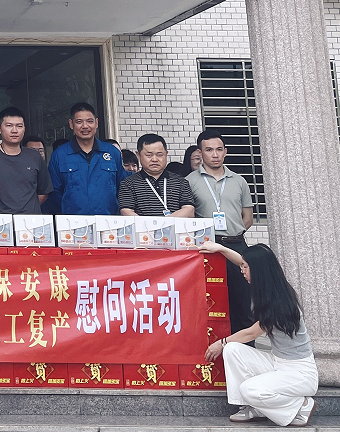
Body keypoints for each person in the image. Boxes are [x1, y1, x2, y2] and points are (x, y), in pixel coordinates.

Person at [200, 242, 318, 427]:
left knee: (249, 388)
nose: (242, 271)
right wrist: (221, 249)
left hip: (300, 373)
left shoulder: (279, 300)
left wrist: (220, 342)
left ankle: (301, 405)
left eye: (246, 268)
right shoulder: (269, 289)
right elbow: (242, 260)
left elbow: (251, 333)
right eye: (243, 266)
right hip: (278, 363)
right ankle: (253, 407)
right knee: (233, 350)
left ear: (258, 271)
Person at [186, 129, 255, 338]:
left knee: (242, 302)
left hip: (236, 246)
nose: (215, 154)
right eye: (209, 150)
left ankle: (245, 350)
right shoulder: (189, 181)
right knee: (210, 302)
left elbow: (247, 218)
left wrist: (231, 234)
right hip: (207, 248)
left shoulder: (239, 181)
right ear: (200, 153)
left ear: (225, 151)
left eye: (219, 149)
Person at [47, 103, 128, 215]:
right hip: (72, 221)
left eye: (90, 121)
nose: (85, 126)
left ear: (96, 123)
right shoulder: (60, 155)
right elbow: (54, 193)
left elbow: (122, 187)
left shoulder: (112, 152)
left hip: (108, 220)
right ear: (71, 124)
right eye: (79, 122)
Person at [0, 107, 52, 214]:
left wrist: (29, 209)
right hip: (0, 219)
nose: (14, 130)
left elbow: (44, 192)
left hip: (30, 219)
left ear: (24, 129)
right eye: (9, 126)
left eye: (19, 126)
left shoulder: (35, 157)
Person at [118, 134, 194, 217]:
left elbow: (189, 210)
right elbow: (126, 211)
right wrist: (151, 225)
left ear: (166, 154)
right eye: (149, 155)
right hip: (143, 226)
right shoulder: (128, 184)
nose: (154, 159)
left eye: (159, 155)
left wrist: (166, 223)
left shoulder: (181, 182)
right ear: (138, 155)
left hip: (175, 225)